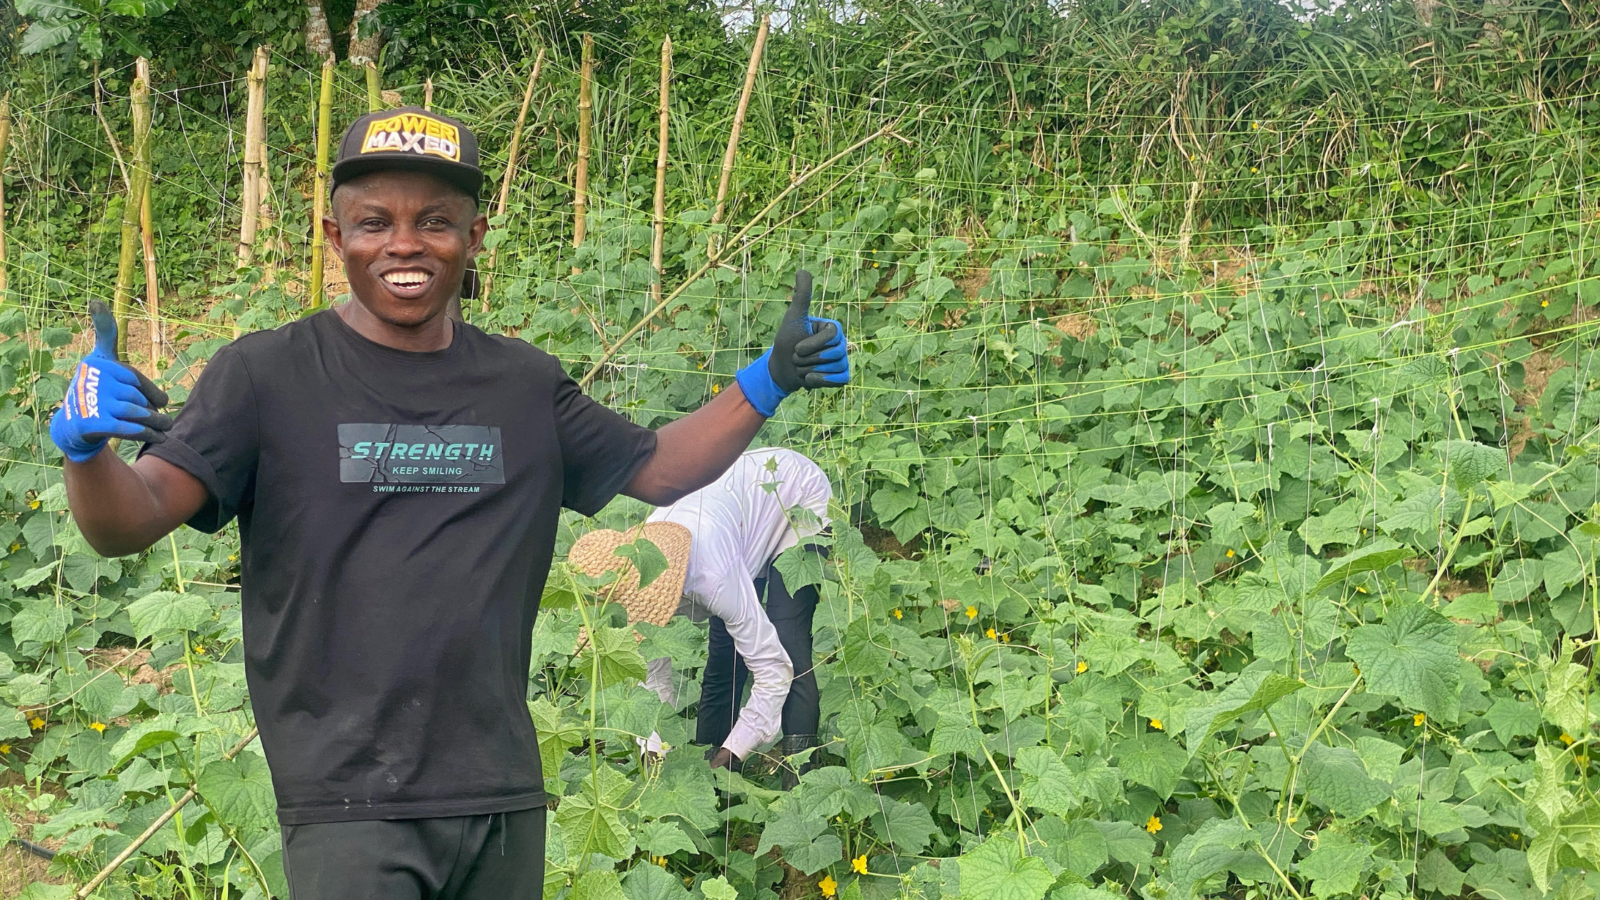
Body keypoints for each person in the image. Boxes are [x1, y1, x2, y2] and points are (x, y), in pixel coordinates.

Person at [48, 107, 849, 900]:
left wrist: (766, 383)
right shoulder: (265, 377)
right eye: (373, 222)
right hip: (346, 802)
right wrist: (87, 453)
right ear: (335, 239)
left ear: (474, 238)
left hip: (499, 789)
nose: (404, 243)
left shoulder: (524, 387)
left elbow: (662, 469)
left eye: (436, 221)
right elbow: (131, 520)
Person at [570, 448, 830, 787]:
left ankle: (800, 785)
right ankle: (715, 786)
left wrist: (736, 749)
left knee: (787, 641)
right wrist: (654, 747)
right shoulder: (630, 578)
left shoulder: (712, 576)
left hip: (793, 496)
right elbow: (650, 676)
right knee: (724, 655)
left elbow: (773, 668)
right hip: (736, 520)